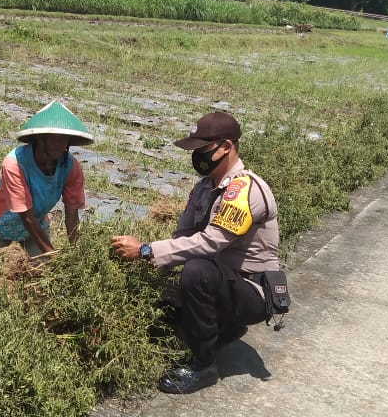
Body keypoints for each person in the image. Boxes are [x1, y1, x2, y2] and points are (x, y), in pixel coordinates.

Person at [111, 111, 281, 394]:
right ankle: (225, 329)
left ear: (226, 147)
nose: (197, 156)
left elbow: (210, 242)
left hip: (252, 290)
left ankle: (204, 367)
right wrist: (150, 270)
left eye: (203, 149)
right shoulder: (203, 188)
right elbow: (183, 238)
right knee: (165, 306)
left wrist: (145, 250)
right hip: (224, 282)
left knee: (197, 271)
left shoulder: (243, 189)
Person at [0, 100, 92, 311]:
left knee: (43, 282)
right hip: (1, 223)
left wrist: (76, 255)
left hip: (36, 223)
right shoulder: (14, 163)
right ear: (39, 138)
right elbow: (24, 214)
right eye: (54, 138)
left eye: (64, 139)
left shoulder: (71, 167)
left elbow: (72, 214)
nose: (59, 145)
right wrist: (51, 252)